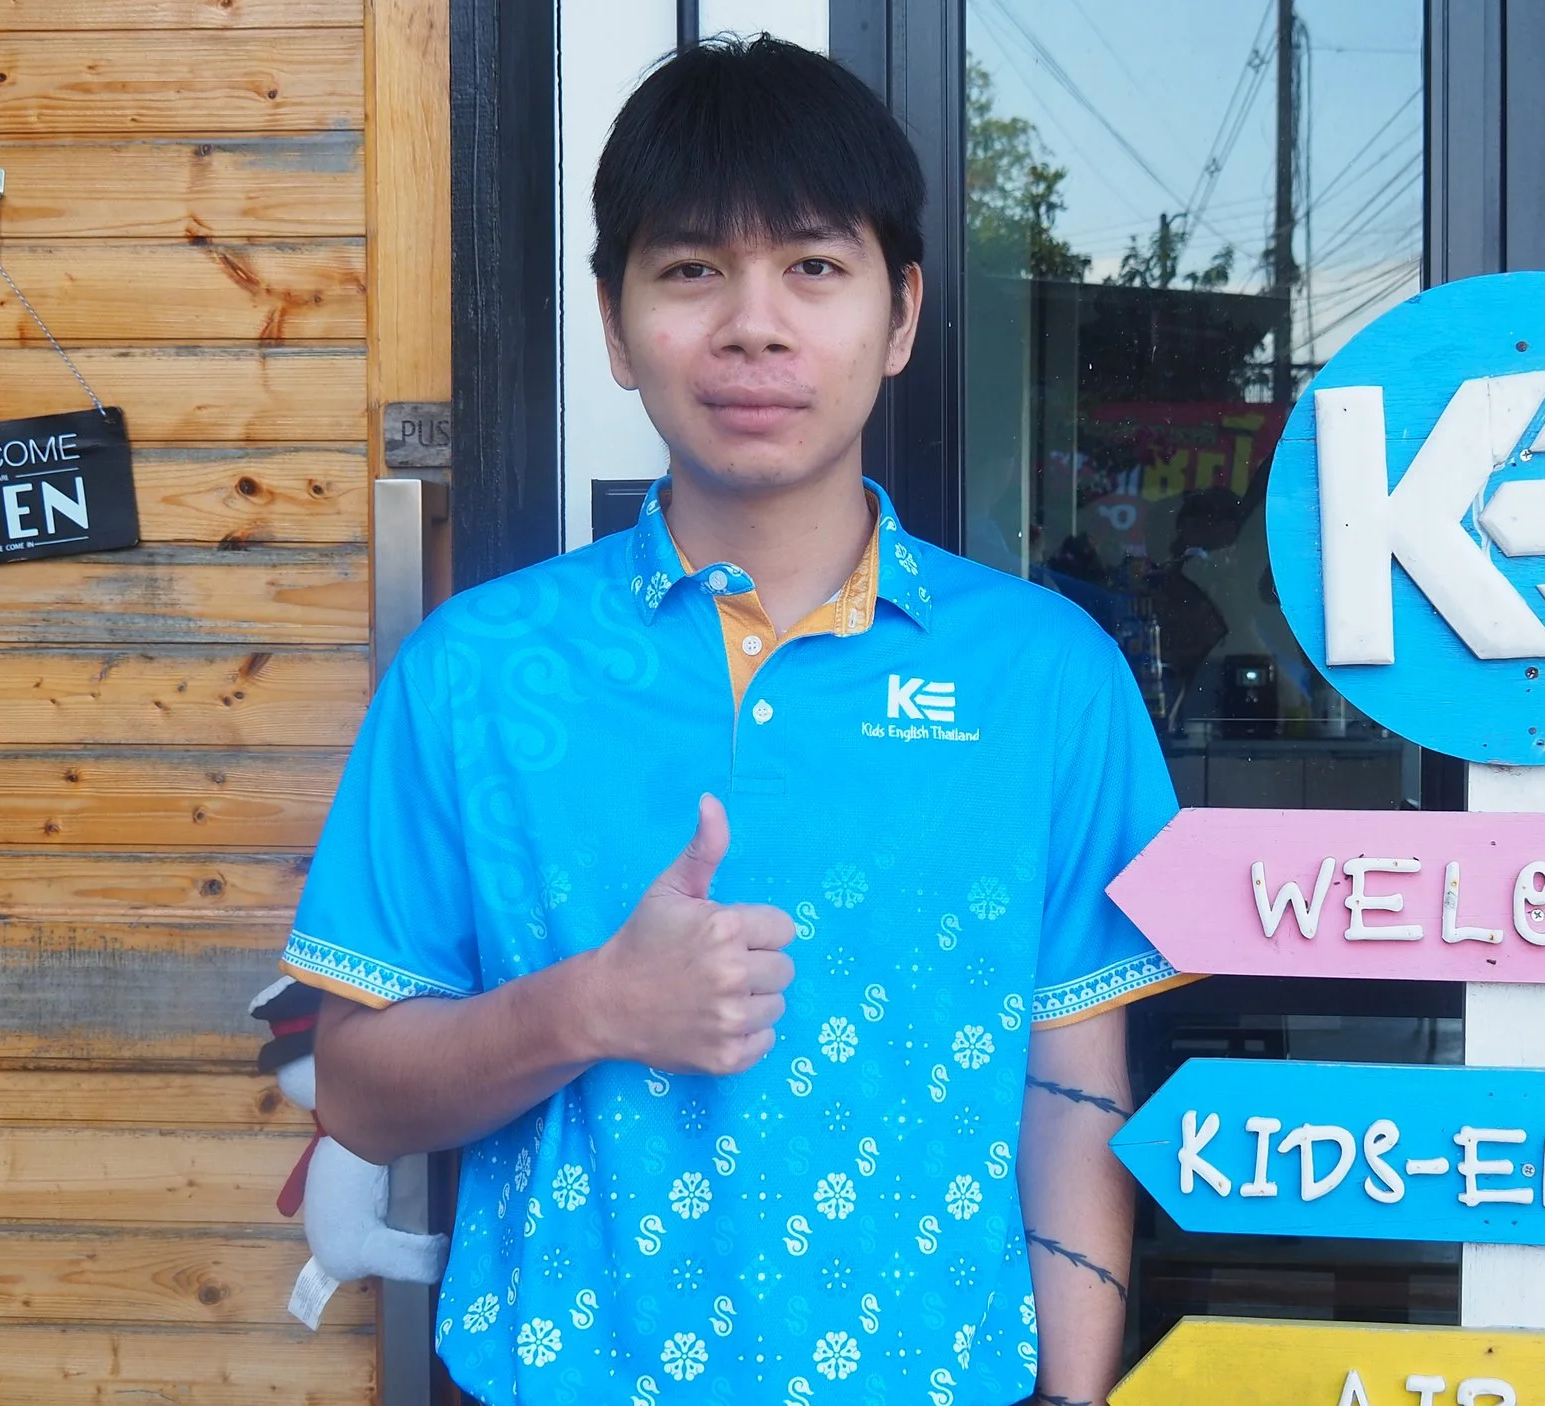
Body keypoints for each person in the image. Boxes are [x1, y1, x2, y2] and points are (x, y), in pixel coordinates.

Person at [284, 35, 1188, 1404]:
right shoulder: (475, 668)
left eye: (815, 268)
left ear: (900, 316)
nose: (754, 324)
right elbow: (356, 1088)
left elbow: (1071, 1094)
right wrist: (588, 1005)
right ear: (614, 317)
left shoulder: (1049, 678)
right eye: (692, 268)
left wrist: (1073, 1395)